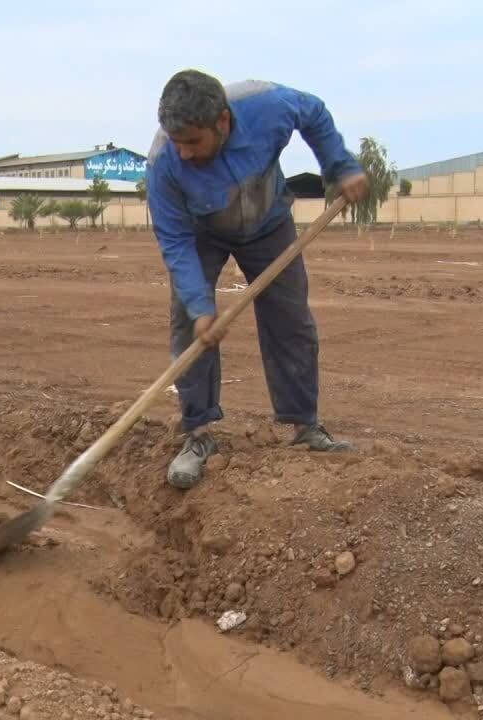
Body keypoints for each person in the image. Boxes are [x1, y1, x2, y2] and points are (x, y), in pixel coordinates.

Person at [146, 70, 370, 489]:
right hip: (201, 232)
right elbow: (174, 241)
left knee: (290, 319)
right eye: (177, 141)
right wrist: (200, 306)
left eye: (193, 141)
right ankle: (197, 435)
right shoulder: (164, 163)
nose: (185, 152)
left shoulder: (269, 106)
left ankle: (302, 426)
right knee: (187, 323)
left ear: (223, 123)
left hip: (268, 223)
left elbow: (314, 113)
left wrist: (340, 166)